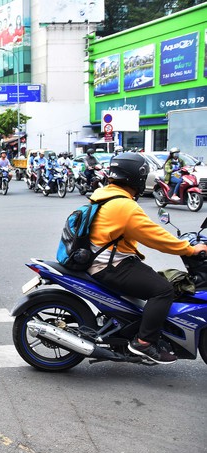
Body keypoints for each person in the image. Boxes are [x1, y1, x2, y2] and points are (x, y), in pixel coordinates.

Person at [88, 152, 207, 364]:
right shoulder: (125, 206)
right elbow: (155, 237)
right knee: (163, 290)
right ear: (136, 176)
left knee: (155, 279)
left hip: (106, 259)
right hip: (110, 264)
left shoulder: (105, 194)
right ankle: (144, 342)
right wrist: (189, 249)